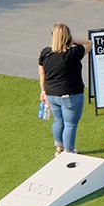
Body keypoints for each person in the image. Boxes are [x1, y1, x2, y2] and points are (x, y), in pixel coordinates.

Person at [36, 23, 86, 155]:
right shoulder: (74, 52)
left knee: (58, 121)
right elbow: (89, 43)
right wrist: (74, 41)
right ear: (68, 36)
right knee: (70, 124)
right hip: (71, 95)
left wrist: (43, 91)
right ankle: (68, 151)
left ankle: (59, 148)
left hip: (52, 94)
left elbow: (42, 74)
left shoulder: (45, 53)